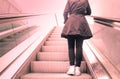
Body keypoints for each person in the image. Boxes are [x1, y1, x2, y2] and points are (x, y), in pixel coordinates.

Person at [61, 0, 92, 76]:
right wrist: (82, 13)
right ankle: (77, 69)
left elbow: (65, 12)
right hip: (81, 23)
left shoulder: (70, 0)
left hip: (71, 22)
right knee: (79, 47)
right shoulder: (85, 0)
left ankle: (71, 67)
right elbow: (89, 12)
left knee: (70, 47)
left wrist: (66, 21)